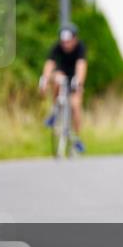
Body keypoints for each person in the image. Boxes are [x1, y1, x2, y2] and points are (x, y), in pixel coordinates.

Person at [40, 24, 88, 153]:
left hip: (75, 77)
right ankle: (56, 110)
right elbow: (50, 64)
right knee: (57, 79)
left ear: (75, 39)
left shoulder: (80, 47)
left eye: (69, 42)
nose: (66, 45)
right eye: (63, 42)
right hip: (62, 74)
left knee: (76, 105)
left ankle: (77, 138)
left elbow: (81, 65)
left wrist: (79, 83)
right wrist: (44, 80)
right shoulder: (56, 47)